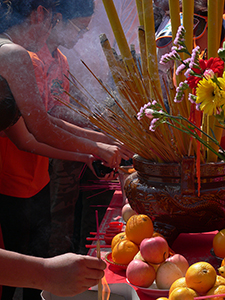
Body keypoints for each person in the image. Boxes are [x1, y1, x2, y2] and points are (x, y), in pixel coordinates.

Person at [0, 1, 131, 299]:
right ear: (40, 13)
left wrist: (99, 143)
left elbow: (48, 119)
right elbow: (40, 128)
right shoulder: (16, 55)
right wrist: (95, 147)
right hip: (12, 179)